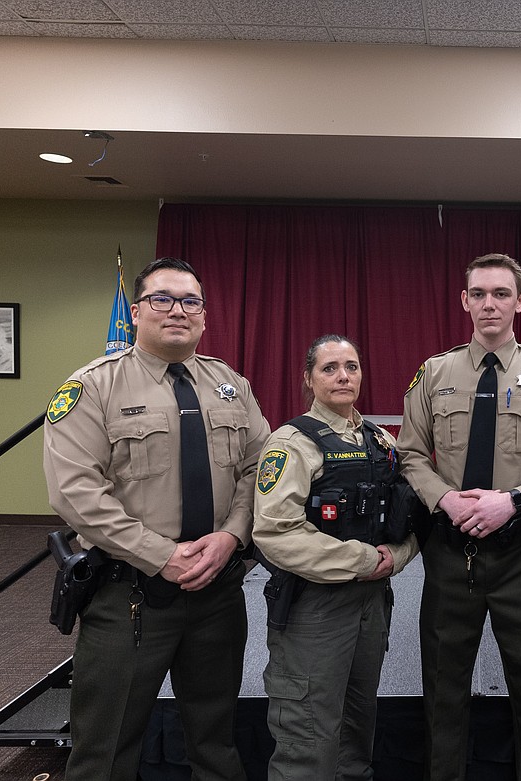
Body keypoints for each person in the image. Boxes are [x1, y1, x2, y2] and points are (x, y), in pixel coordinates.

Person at [43, 256, 271, 780]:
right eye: (162, 299)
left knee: (216, 743)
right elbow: (76, 493)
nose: (177, 311)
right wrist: (161, 555)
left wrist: (232, 536)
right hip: (131, 595)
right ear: (138, 312)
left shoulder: (229, 383)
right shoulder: (93, 387)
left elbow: (262, 470)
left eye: (191, 301)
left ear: (205, 316)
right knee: (105, 751)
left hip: (217, 590)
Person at [398, 252, 521, 781]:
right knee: (443, 690)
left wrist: (516, 501)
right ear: (464, 301)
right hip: (449, 555)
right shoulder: (433, 373)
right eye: (478, 294)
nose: (489, 304)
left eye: (501, 294)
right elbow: (410, 454)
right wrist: (444, 499)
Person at [252, 334, 419, 780]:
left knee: (356, 732)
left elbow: (408, 518)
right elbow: (275, 532)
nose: (343, 375)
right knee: (308, 738)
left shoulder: (382, 441)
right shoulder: (291, 443)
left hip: (370, 606)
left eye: (351, 366)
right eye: (329, 368)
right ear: (309, 378)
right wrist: (364, 561)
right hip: (314, 609)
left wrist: (396, 556)